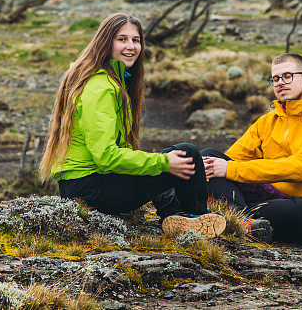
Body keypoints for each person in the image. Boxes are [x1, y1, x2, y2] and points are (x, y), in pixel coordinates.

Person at [39, 13, 225, 238]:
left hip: (81, 187)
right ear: (105, 42)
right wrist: (164, 162)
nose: (131, 46)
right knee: (188, 154)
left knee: (163, 161)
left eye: (136, 40)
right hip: (92, 189)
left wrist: (160, 168)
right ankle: (197, 219)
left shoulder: (106, 80)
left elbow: (118, 156)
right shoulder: (102, 88)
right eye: (122, 39)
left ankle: (176, 216)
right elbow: (106, 156)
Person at [202, 52, 302, 244]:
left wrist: (230, 169)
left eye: (287, 76)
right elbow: (231, 157)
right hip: (265, 201)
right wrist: (213, 169)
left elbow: (300, 168)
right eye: (275, 79)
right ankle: (243, 222)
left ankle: (226, 216)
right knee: (208, 157)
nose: (280, 83)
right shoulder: (267, 121)